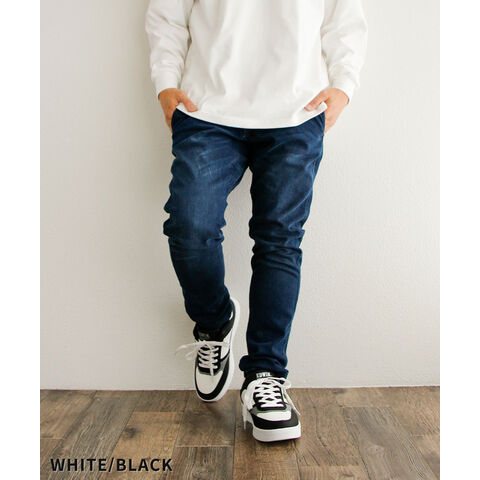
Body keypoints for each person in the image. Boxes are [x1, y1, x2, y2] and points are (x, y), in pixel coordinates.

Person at [146, 0, 367, 442]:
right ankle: (214, 322)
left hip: (296, 111)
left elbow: (344, 18)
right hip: (206, 110)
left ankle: (266, 376)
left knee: (279, 242)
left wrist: (344, 85)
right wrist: (165, 82)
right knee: (190, 227)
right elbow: (167, 15)